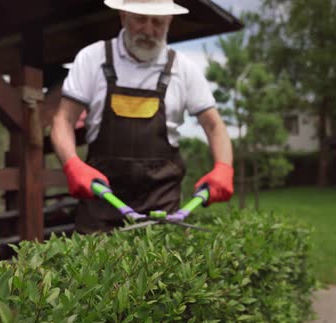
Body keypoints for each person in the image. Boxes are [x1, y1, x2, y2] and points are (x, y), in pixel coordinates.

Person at [50, 0, 234, 233]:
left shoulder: (184, 69)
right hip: (101, 204)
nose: (148, 30)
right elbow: (63, 120)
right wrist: (72, 164)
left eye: (157, 22)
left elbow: (213, 124)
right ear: (123, 15)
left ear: (169, 21)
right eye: (140, 19)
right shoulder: (92, 59)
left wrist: (224, 168)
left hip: (163, 205)